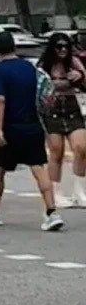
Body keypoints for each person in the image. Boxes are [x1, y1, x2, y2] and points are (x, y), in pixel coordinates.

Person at [0, 29, 64, 232]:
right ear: (14, 47)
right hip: (33, 125)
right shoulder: (29, 67)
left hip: (11, 127)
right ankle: (52, 212)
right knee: (38, 167)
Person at [38, 31, 86, 209]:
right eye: (59, 46)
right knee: (56, 152)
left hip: (72, 107)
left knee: (81, 148)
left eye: (66, 46)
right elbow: (38, 86)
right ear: (52, 48)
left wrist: (79, 77)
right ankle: (56, 193)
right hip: (52, 110)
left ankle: (78, 191)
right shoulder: (44, 65)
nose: (63, 50)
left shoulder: (74, 62)